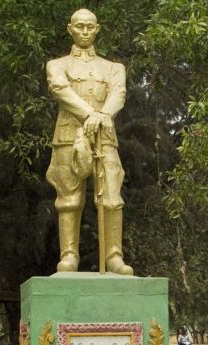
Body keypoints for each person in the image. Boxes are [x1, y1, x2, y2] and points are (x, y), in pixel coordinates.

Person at [45, 9, 132, 275]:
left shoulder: (113, 68)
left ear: (97, 29)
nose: (84, 32)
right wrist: (90, 114)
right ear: (70, 28)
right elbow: (60, 89)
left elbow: (119, 93)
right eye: (79, 26)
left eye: (89, 27)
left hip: (104, 136)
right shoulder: (57, 65)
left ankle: (114, 257)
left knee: (112, 197)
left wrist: (103, 115)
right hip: (69, 135)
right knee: (69, 197)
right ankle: (69, 255)